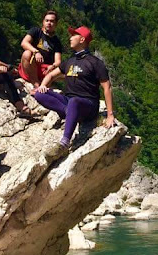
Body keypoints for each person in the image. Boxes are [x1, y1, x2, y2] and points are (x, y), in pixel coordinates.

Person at [33, 26, 116, 158]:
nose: (70, 38)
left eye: (73, 35)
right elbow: (51, 75)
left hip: (88, 104)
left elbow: (107, 87)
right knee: (39, 94)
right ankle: (69, 111)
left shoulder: (95, 63)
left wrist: (110, 115)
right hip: (69, 100)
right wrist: (43, 85)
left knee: (74, 102)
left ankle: (64, 143)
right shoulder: (70, 61)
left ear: (82, 39)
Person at [18, 10, 63, 88]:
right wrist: (36, 52)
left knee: (68, 72)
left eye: (52, 21)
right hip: (31, 66)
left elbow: (58, 61)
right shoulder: (36, 31)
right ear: (43, 22)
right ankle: (36, 84)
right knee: (27, 53)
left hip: (46, 70)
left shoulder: (56, 41)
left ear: (56, 24)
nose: (49, 23)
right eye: (47, 20)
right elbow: (24, 43)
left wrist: (53, 66)